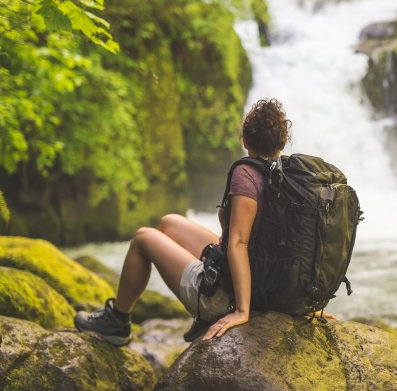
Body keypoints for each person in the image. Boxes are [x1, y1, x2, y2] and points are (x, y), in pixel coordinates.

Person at [74, 98, 331, 345]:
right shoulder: (290, 177)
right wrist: (305, 302)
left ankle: (117, 321)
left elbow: (239, 243)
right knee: (169, 223)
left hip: (225, 297)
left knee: (143, 237)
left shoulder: (247, 175)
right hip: (266, 279)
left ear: (244, 139)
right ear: (283, 141)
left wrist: (242, 310)